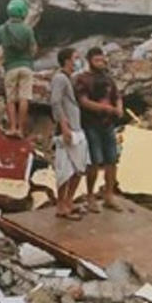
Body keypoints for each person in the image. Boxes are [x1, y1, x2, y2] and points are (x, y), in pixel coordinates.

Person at [75, 46, 124, 212]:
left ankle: (109, 195)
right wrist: (103, 108)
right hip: (91, 124)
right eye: (97, 60)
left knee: (112, 160)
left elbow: (117, 97)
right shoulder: (83, 79)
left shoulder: (109, 80)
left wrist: (118, 108)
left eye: (103, 60)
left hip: (108, 125)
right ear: (89, 61)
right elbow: (83, 101)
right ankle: (90, 196)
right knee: (94, 161)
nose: (101, 63)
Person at [0, 0, 37, 137]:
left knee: (10, 99)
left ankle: (12, 128)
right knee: (24, 98)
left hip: (11, 68)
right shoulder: (27, 30)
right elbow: (33, 50)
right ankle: (21, 130)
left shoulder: (2, 29)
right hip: (26, 67)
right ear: (23, 12)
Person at [50, 47, 88, 220]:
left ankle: (69, 201)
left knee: (79, 167)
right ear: (67, 60)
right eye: (75, 58)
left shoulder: (69, 79)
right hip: (68, 128)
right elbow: (56, 103)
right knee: (65, 169)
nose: (78, 61)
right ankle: (60, 205)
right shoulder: (59, 78)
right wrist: (64, 126)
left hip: (77, 127)